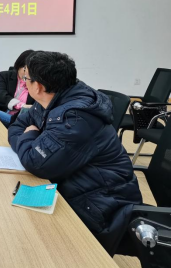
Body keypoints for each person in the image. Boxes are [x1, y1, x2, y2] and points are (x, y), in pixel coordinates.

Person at [8, 51, 142, 255]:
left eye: (26, 78)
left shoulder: (76, 118)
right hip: (74, 186)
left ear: (38, 86)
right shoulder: (52, 98)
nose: (24, 83)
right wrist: (31, 139)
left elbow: (35, 162)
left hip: (100, 205)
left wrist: (30, 136)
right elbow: (17, 125)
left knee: (25, 242)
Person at [0, 49, 35, 127]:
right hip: (5, 112)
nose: (27, 73)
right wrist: (21, 105)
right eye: (25, 69)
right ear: (19, 65)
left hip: (21, 119)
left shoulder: (35, 82)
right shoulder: (5, 76)